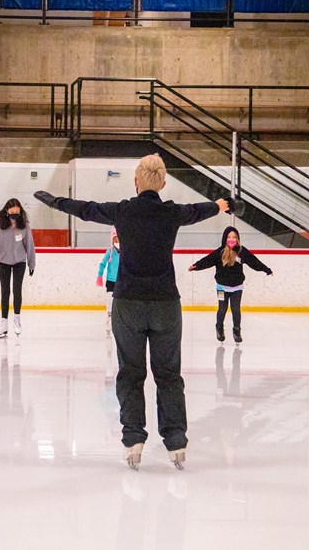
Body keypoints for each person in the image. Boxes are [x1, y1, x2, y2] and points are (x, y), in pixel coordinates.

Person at [34, 154, 229, 470]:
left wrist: (56, 201)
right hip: (166, 303)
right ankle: (176, 441)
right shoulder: (172, 213)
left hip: (128, 303)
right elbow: (199, 211)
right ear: (163, 184)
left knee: (131, 373)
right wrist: (223, 205)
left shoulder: (123, 211)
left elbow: (86, 209)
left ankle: (133, 439)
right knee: (168, 374)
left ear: (136, 182)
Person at [188, 226, 272, 344]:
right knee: (222, 309)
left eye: (234, 237)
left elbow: (254, 262)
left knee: (236, 309)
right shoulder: (220, 252)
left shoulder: (241, 252)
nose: (231, 239)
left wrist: (266, 269)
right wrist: (196, 266)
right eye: (229, 237)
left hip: (237, 287)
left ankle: (236, 330)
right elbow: (207, 260)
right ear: (224, 238)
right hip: (222, 287)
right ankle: (219, 328)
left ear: (238, 239)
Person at [0, 199, 36, 338]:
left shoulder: (24, 225)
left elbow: (29, 244)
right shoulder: (0, 225)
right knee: (5, 292)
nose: (14, 215)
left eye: (17, 213)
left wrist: (31, 263)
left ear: (20, 212)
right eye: (12, 213)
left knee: (17, 290)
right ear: (7, 211)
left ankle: (17, 321)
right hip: (3, 262)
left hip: (19, 262)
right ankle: (4, 323)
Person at [96, 226, 120, 334]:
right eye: (115, 240)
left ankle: (119, 322)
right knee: (110, 301)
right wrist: (99, 276)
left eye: (119, 239)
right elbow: (102, 264)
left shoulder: (126, 252)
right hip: (111, 281)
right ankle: (109, 318)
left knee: (120, 302)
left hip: (122, 281)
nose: (117, 242)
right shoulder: (110, 252)